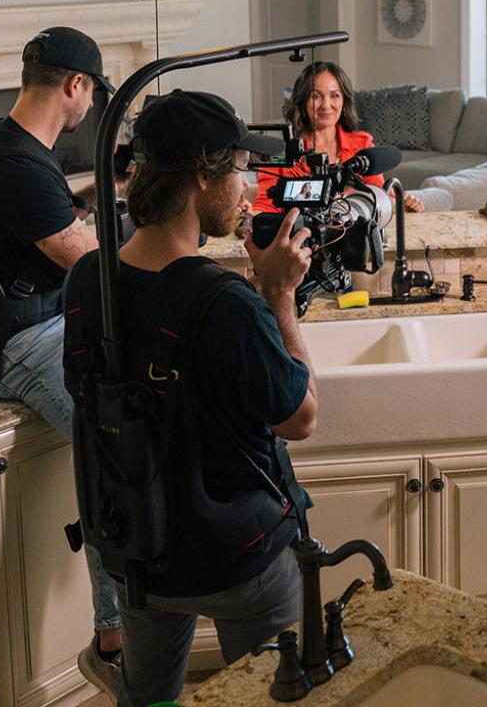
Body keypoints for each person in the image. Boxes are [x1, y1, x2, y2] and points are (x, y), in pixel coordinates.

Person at [79, 90, 317, 707]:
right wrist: (280, 295)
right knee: (275, 696)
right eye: (240, 168)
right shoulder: (229, 304)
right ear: (204, 176)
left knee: (149, 696)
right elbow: (301, 417)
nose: (247, 187)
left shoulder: (88, 279)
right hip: (237, 559)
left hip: (140, 548)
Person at [0, 27, 124, 695]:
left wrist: (109, 200)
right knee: (117, 433)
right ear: (76, 85)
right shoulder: (17, 166)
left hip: (39, 325)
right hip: (16, 346)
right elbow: (94, 264)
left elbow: (65, 230)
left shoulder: (8, 146)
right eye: (93, 94)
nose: (90, 107)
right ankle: (115, 637)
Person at [252, 61, 423, 213]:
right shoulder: (279, 149)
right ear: (303, 102)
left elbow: (379, 195)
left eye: (334, 95)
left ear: (344, 101)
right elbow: (265, 205)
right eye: (315, 96)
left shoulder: (361, 144)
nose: (326, 105)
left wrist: (401, 206)